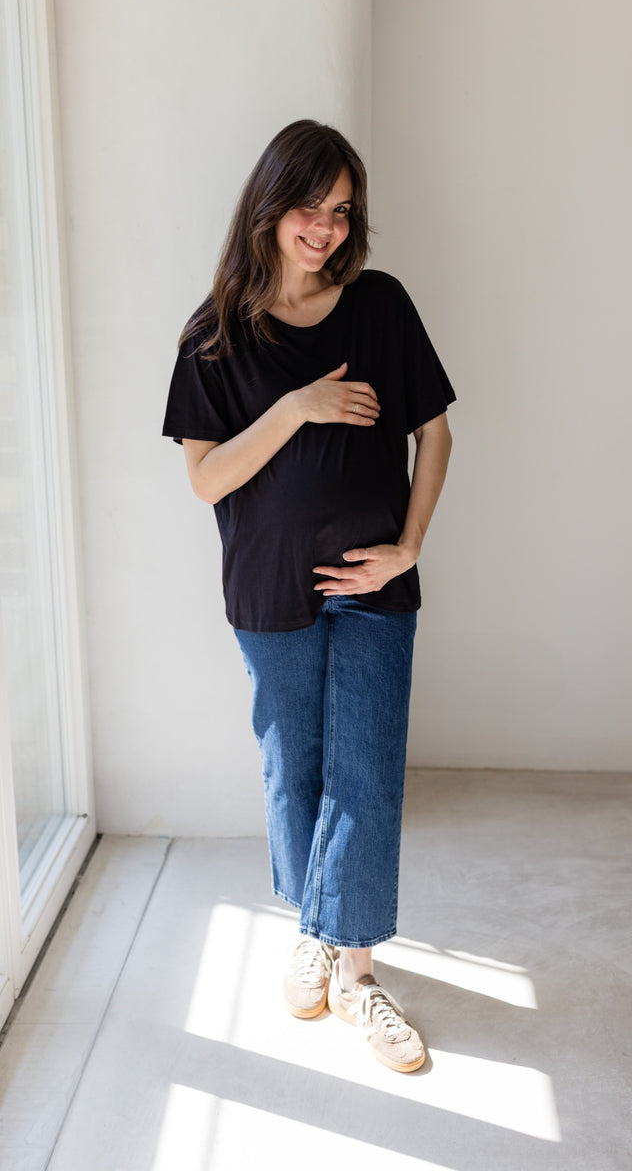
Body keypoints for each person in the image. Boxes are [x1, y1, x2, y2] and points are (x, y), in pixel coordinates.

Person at [163, 119, 454, 1074]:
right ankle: (315, 932)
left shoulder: (379, 306)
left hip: (373, 583)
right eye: (309, 206)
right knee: (297, 771)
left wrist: (404, 551)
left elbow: (436, 436)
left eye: (341, 212)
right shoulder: (213, 336)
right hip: (265, 588)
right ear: (268, 203)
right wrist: (295, 408)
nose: (325, 228)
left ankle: (358, 974)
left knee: (365, 771)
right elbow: (207, 480)